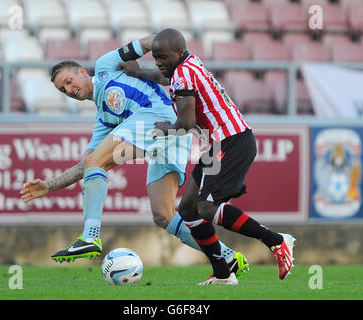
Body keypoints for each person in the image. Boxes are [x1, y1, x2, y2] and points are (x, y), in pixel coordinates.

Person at [19, 35, 250, 279]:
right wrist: (49, 186)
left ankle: (90, 235)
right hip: (172, 134)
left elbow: (151, 41)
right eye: (61, 89)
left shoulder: (105, 66)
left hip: (159, 117)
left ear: (80, 71)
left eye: (68, 81)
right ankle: (227, 256)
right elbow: (85, 166)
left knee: (97, 162)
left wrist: (176, 61)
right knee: (163, 214)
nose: (68, 89)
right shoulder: (103, 120)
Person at [120, 28, 296, 285]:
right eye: (154, 57)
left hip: (232, 140)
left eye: (162, 57)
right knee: (188, 210)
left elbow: (186, 123)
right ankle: (223, 274)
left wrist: (164, 129)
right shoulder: (186, 65)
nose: (158, 62)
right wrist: (139, 72)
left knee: (206, 207)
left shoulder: (184, 72)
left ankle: (277, 241)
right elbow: (168, 77)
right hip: (218, 144)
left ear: (179, 52)